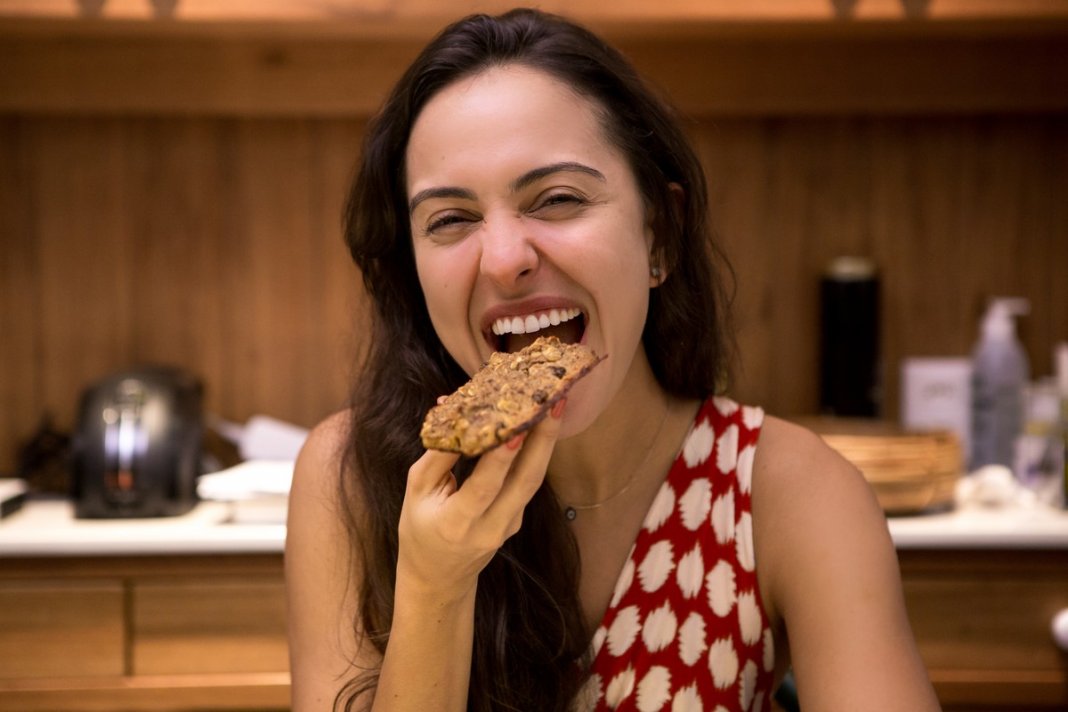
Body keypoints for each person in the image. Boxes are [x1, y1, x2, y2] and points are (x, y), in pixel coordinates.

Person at [285, 8, 942, 712]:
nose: (505, 260)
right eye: (451, 219)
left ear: (659, 235)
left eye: (558, 199)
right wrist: (435, 585)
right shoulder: (350, 479)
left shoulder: (788, 493)